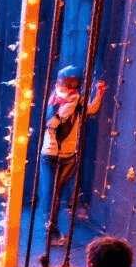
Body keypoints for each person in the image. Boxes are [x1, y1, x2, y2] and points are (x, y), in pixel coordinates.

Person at [39, 65, 106, 246]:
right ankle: (50, 228)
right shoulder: (55, 99)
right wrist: (64, 111)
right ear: (62, 81)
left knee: (57, 193)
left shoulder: (78, 100)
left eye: (76, 81)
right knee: (50, 193)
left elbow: (91, 110)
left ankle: (51, 228)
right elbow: (51, 124)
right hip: (50, 153)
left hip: (69, 154)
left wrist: (99, 94)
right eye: (70, 81)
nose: (73, 85)